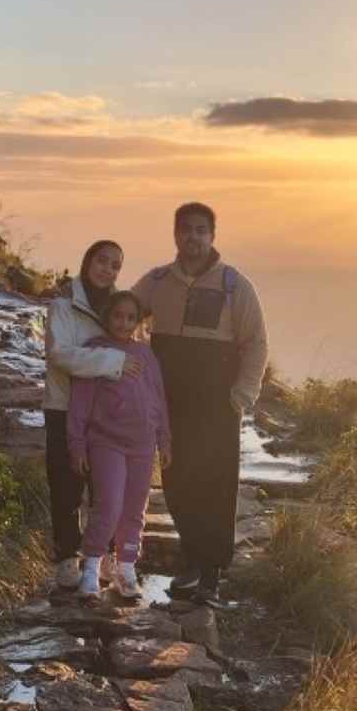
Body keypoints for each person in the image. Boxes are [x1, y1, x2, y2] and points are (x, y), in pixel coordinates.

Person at [131, 202, 268, 604]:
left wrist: (241, 396)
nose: (193, 236)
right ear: (175, 234)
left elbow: (256, 342)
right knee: (176, 482)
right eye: (186, 229)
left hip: (217, 403)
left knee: (216, 486)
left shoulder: (234, 285)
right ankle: (192, 557)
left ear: (212, 236)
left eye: (201, 230)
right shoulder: (157, 282)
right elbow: (121, 315)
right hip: (170, 399)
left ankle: (211, 571)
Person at [43, 239, 140, 589]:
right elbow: (61, 355)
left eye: (115, 265)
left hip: (107, 415)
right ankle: (67, 559)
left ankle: (104, 556)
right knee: (66, 485)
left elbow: (135, 355)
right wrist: (112, 363)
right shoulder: (62, 306)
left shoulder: (119, 309)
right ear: (87, 262)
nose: (108, 269)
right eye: (102, 261)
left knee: (106, 489)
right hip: (63, 406)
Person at [65, 291, 171, 601]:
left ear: (139, 322)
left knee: (135, 510)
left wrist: (164, 439)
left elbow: (158, 400)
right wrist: (77, 445)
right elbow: (80, 403)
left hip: (143, 445)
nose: (123, 323)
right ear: (107, 316)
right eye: (117, 316)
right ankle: (91, 568)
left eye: (130, 318)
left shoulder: (147, 355)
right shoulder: (95, 351)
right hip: (106, 442)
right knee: (108, 504)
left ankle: (125, 568)